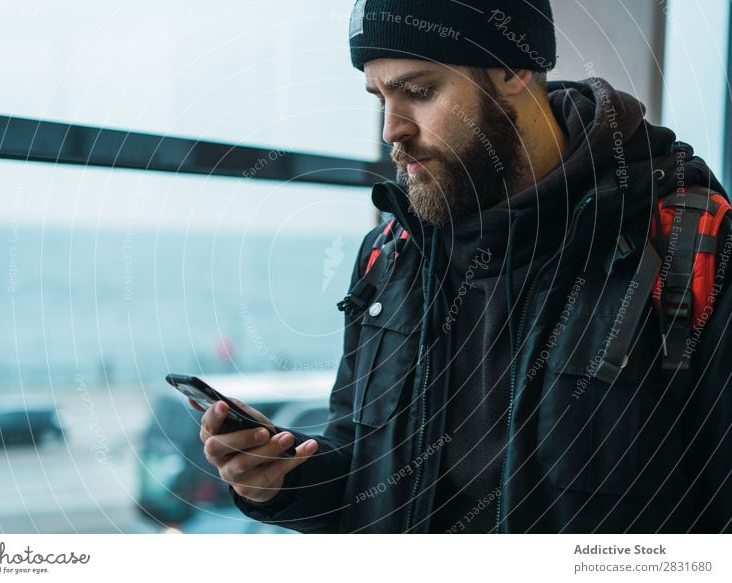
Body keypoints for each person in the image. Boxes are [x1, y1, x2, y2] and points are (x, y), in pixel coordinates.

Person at [197, 0, 732, 533]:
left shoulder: (692, 245)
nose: (392, 130)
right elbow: (366, 478)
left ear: (512, 69)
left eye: (420, 91)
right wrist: (286, 481)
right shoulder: (390, 253)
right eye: (380, 97)